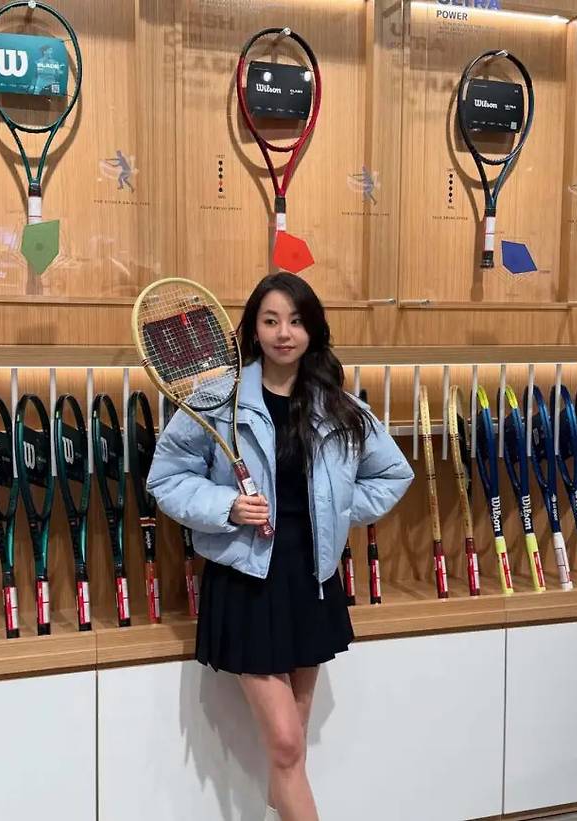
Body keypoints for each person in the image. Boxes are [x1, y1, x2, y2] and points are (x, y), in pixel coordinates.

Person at [147, 272, 414, 821]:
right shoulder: (217, 401)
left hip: (311, 580)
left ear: (312, 330)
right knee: (288, 745)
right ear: (253, 329)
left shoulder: (338, 407)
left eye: (295, 321)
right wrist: (227, 506)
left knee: (292, 744)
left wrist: (335, 512)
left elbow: (393, 473)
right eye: (270, 321)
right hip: (247, 582)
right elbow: (166, 478)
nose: (283, 333)